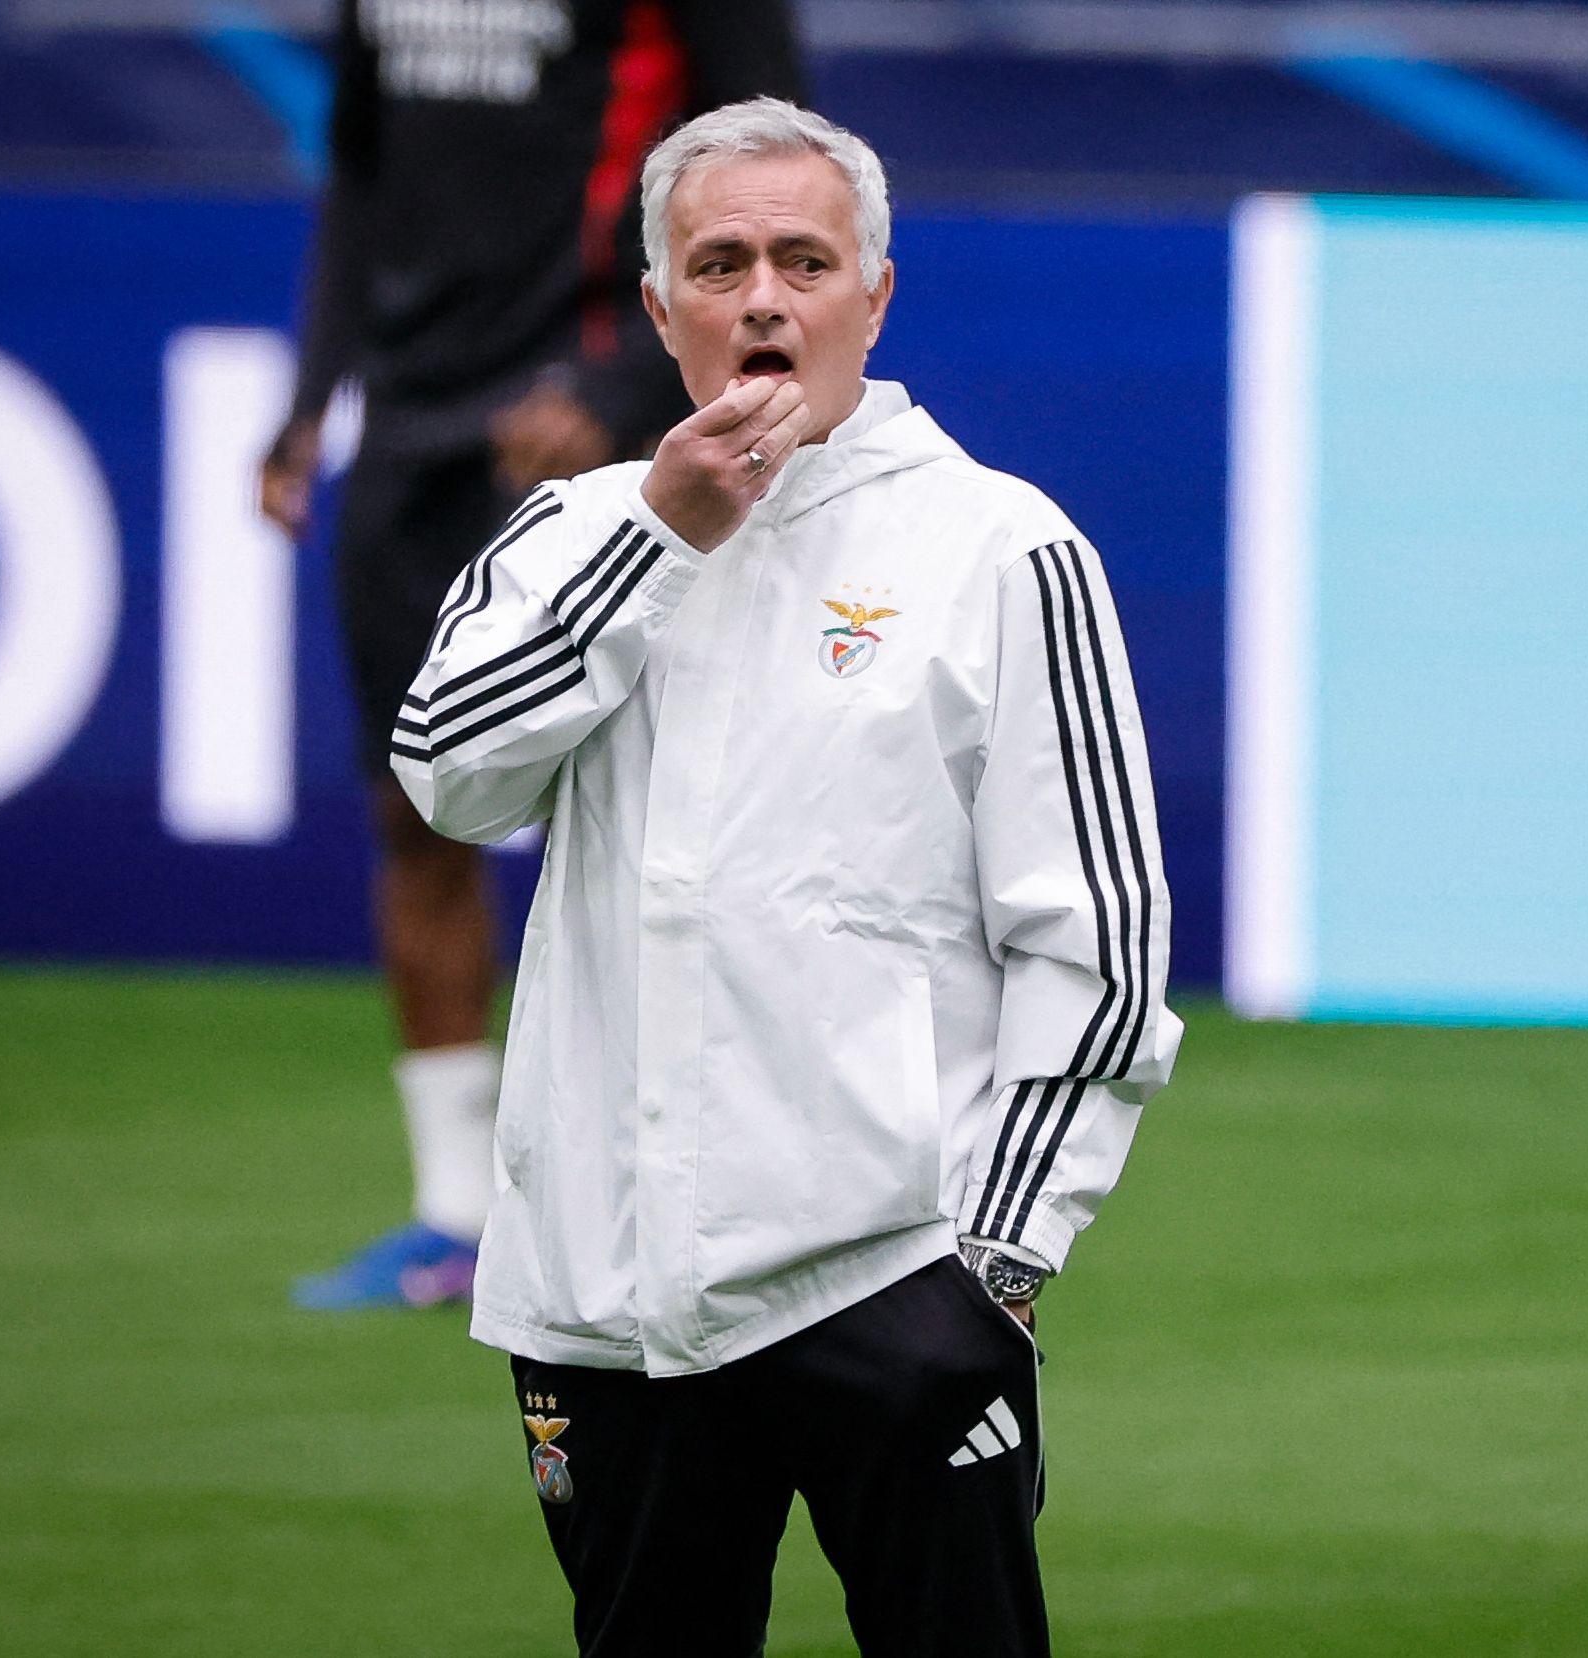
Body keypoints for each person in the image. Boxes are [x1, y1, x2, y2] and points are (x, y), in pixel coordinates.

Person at [388, 98, 1181, 1655]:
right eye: (723, 260)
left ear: (872, 299)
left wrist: (993, 1264)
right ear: (660, 306)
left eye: (806, 260)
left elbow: (1101, 942)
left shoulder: (1000, 548)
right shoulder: (572, 530)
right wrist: (662, 541)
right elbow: (451, 772)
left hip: (890, 1280)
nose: (764, 296)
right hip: (602, 1306)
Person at [262, 0, 807, 1309]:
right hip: (413, 427)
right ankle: (453, 1212)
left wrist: (624, 392)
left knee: (652, 826)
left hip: (614, 432)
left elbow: (783, 163)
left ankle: (678, 1196)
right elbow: (360, 167)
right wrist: (310, 400)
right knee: (414, 806)